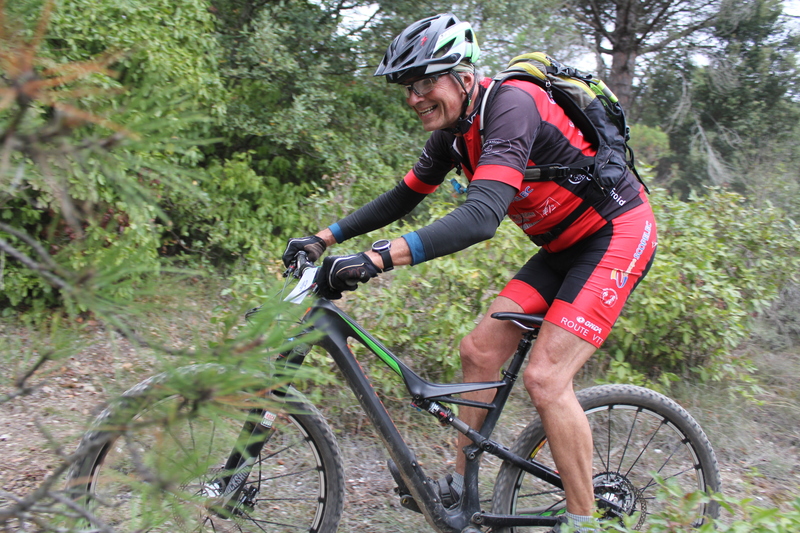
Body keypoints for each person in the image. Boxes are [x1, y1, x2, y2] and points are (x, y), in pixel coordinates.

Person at [282, 13, 657, 533]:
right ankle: (461, 488)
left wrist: (377, 258)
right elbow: (402, 197)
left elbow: (481, 218)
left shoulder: (513, 105)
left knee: (546, 378)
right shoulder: (455, 135)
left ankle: (584, 521)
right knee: (479, 351)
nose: (414, 98)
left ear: (462, 77)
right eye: (408, 88)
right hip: (561, 248)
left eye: (424, 84)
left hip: (617, 233)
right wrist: (324, 238)